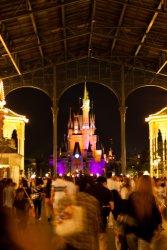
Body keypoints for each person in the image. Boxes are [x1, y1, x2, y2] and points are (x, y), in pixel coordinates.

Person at [120, 174, 162, 250]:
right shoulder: (151, 198)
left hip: (131, 231)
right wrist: (158, 228)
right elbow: (156, 216)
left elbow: (125, 211)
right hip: (145, 233)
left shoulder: (132, 196)